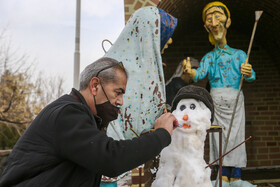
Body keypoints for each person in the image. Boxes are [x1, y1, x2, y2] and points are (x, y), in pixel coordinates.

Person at [0, 57, 178, 187]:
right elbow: (111, 158)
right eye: (118, 92)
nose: (120, 102)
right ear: (95, 86)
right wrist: (161, 135)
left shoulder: (82, 118)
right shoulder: (68, 114)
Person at [184, 1, 256, 186]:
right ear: (206, 26)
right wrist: (191, 73)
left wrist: (248, 72)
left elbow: (251, 76)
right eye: (210, 18)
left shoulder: (239, 54)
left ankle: (236, 172)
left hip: (235, 100)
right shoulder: (209, 57)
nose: (214, 22)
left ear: (228, 22)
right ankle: (222, 171)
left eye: (218, 16)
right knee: (219, 136)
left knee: (236, 135)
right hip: (216, 98)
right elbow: (199, 74)